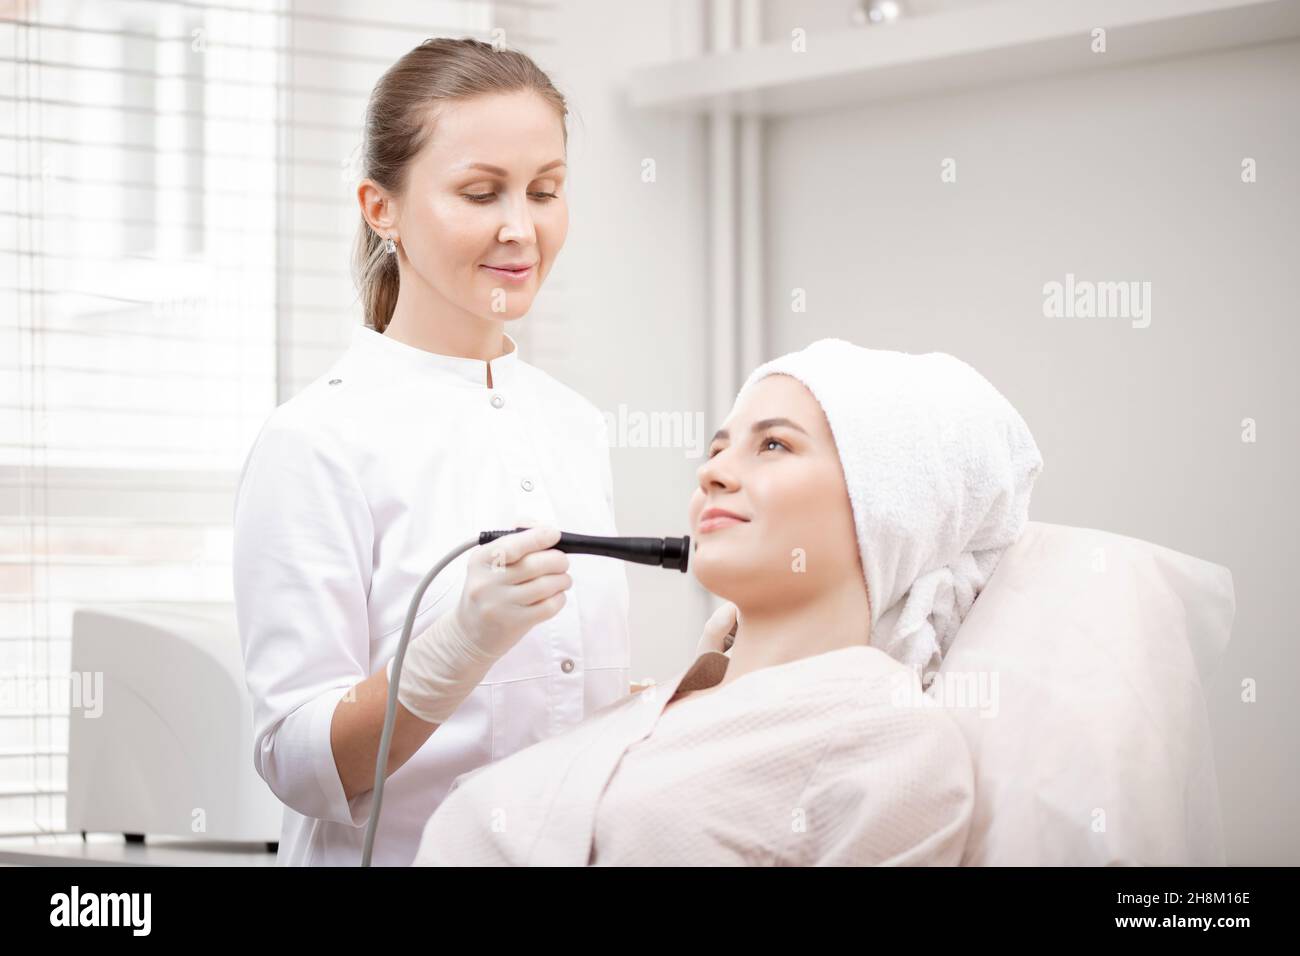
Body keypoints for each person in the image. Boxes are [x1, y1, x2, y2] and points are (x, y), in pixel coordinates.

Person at [231, 37, 728, 866]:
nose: (520, 228)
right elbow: (294, 761)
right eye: (479, 192)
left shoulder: (573, 424)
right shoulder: (315, 442)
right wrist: (448, 656)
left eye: (544, 191)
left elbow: (565, 706)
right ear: (379, 207)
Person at [412, 338, 1044, 865]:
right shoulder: (651, 712)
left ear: (889, 510)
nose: (710, 472)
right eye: (717, 449)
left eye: (774, 445)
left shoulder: (892, 736)